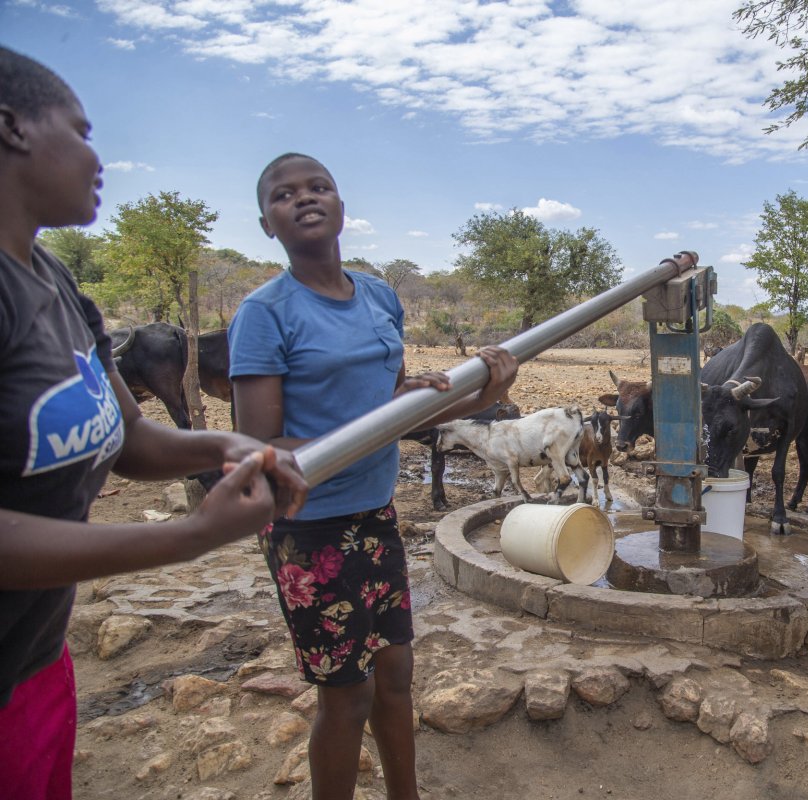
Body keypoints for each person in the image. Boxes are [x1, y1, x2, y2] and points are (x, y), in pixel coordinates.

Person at [0, 46, 309, 800]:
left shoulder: (54, 282)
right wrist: (188, 538)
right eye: (82, 128)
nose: (98, 155)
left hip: (32, 658)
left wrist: (226, 442)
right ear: (10, 128)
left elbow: (128, 437)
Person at [229, 152, 518, 800]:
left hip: (373, 514)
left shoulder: (380, 296)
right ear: (266, 223)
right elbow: (259, 446)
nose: (304, 198)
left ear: (340, 205)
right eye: (284, 194)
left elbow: (401, 410)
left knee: (395, 675)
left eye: (318, 187)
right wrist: (380, 417)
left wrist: (486, 392)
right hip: (307, 528)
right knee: (348, 696)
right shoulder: (265, 314)